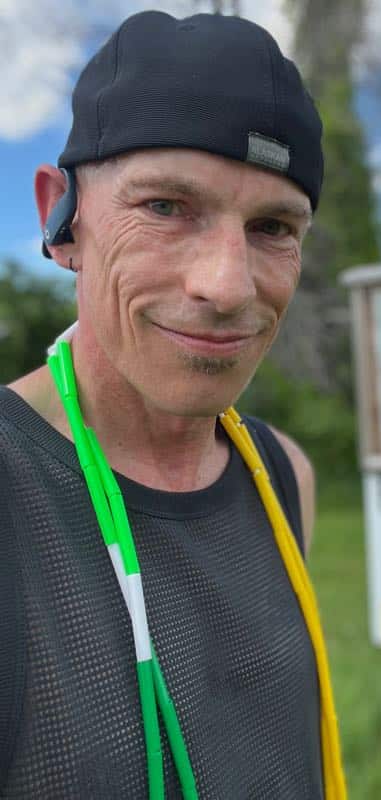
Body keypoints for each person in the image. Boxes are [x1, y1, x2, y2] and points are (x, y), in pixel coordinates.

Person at [0, 10, 346, 799]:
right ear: (62, 219)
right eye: (165, 207)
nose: (227, 285)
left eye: (271, 227)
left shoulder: (284, 478)